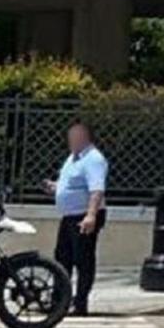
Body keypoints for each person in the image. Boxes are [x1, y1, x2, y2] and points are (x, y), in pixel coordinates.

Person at [43, 121, 108, 316]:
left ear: (85, 137)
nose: (70, 140)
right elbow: (71, 184)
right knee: (62, 259)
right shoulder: (73, 158)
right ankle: (59, 301)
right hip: (69, 216)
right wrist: (55, 187)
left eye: (75, 136)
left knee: (83, 260)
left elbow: (97, 190)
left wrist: (91, 216)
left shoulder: (94, 159)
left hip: (83, 216)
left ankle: (80, 303)